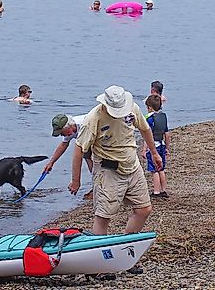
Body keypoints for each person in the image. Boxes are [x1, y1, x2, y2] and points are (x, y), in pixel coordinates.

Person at [69, 86, 164, 236]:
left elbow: (145, 129)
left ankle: (128, 242)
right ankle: (98, 252)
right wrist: (76, 181)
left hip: (132, 165)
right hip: (108, 170)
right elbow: (79, 149)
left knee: (144, 209)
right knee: (103, 217)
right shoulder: (94, 118)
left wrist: (154, 153)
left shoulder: (132, 108)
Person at [45, 112, 96, 199]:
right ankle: (96, 184)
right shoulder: (69, 128)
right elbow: (63, 145)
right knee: (87, 156)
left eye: (62, 133)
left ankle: (99, 186)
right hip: (87, 141)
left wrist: (75, 181)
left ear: (70, 127)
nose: (61, 135)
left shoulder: (84, 124)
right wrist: (51, 163)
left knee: (94, 158)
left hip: (98, 135)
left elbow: (78, 154)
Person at [142, 93, 169, 199]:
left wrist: (144, 149)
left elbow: (148, 136)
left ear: (149, 107)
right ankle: (163, 190)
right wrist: (167, 147)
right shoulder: (163, 117)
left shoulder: (150, 119)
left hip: (153, 146)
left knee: (154, 170)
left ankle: (156, 191)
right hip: (161, 144)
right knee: (161, 168)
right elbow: (167, 134)